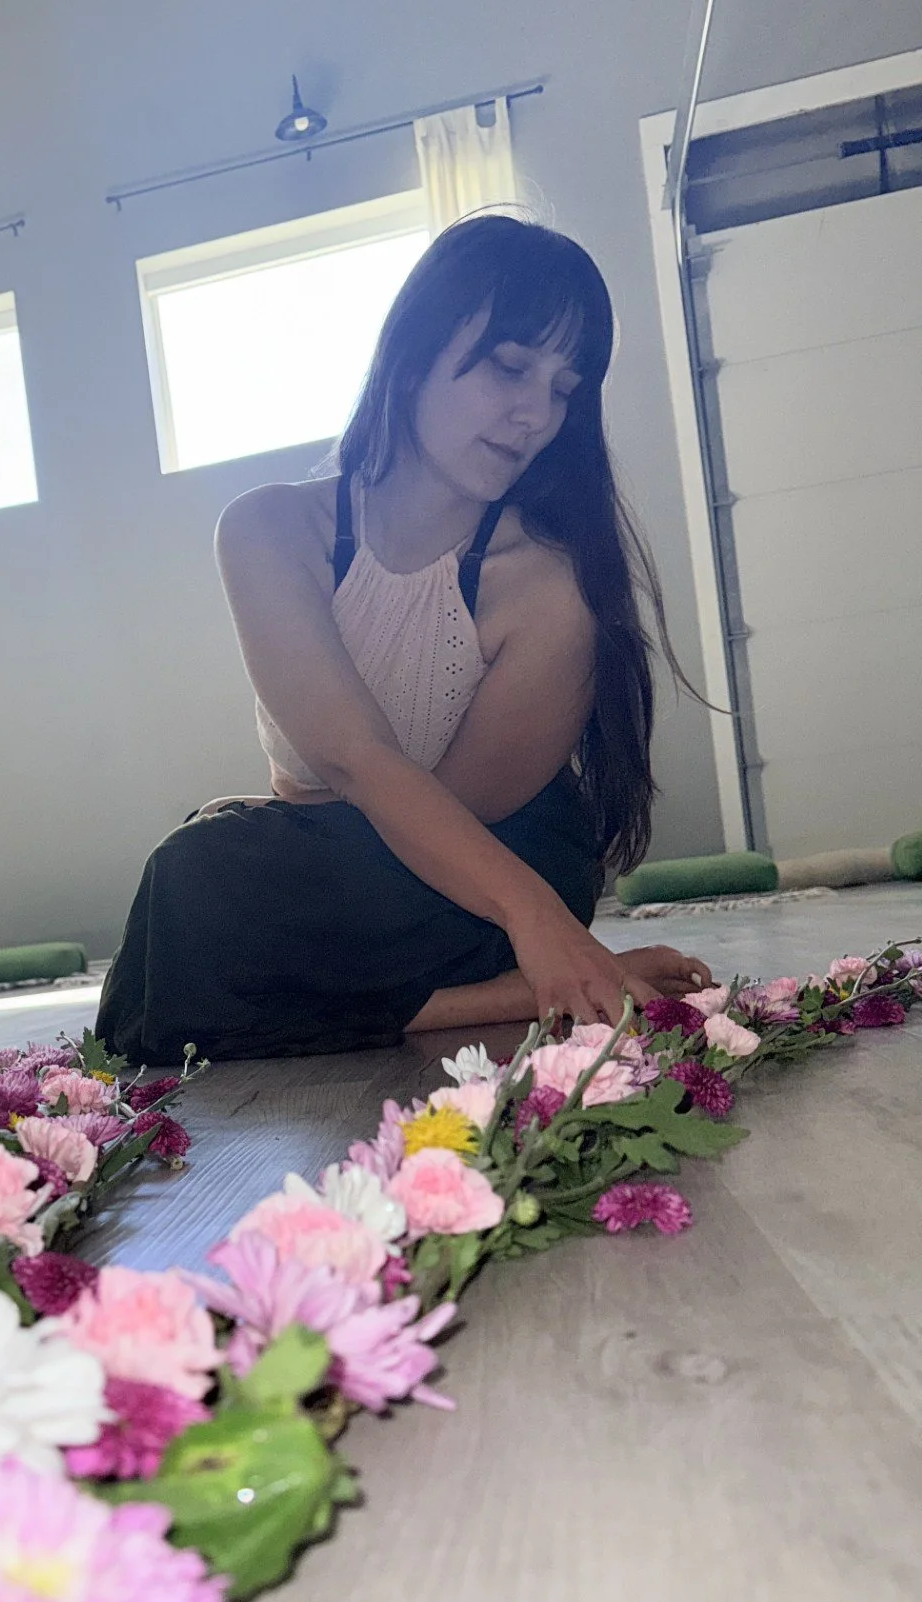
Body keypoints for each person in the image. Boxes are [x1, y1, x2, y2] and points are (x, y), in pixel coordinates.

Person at [97, 214, 713, 1063]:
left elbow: (448, 820)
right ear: (417, 346)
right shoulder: (269, 530)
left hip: (492, 866)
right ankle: (491, 996)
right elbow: (354, 756)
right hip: (405, 878)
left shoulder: (549, 587)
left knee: (213, 902)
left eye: (564, 388)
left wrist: (535, 914)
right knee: (194, 874)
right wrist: (268, 830)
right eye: (510, 367)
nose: (536, 413)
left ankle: (510, 969)